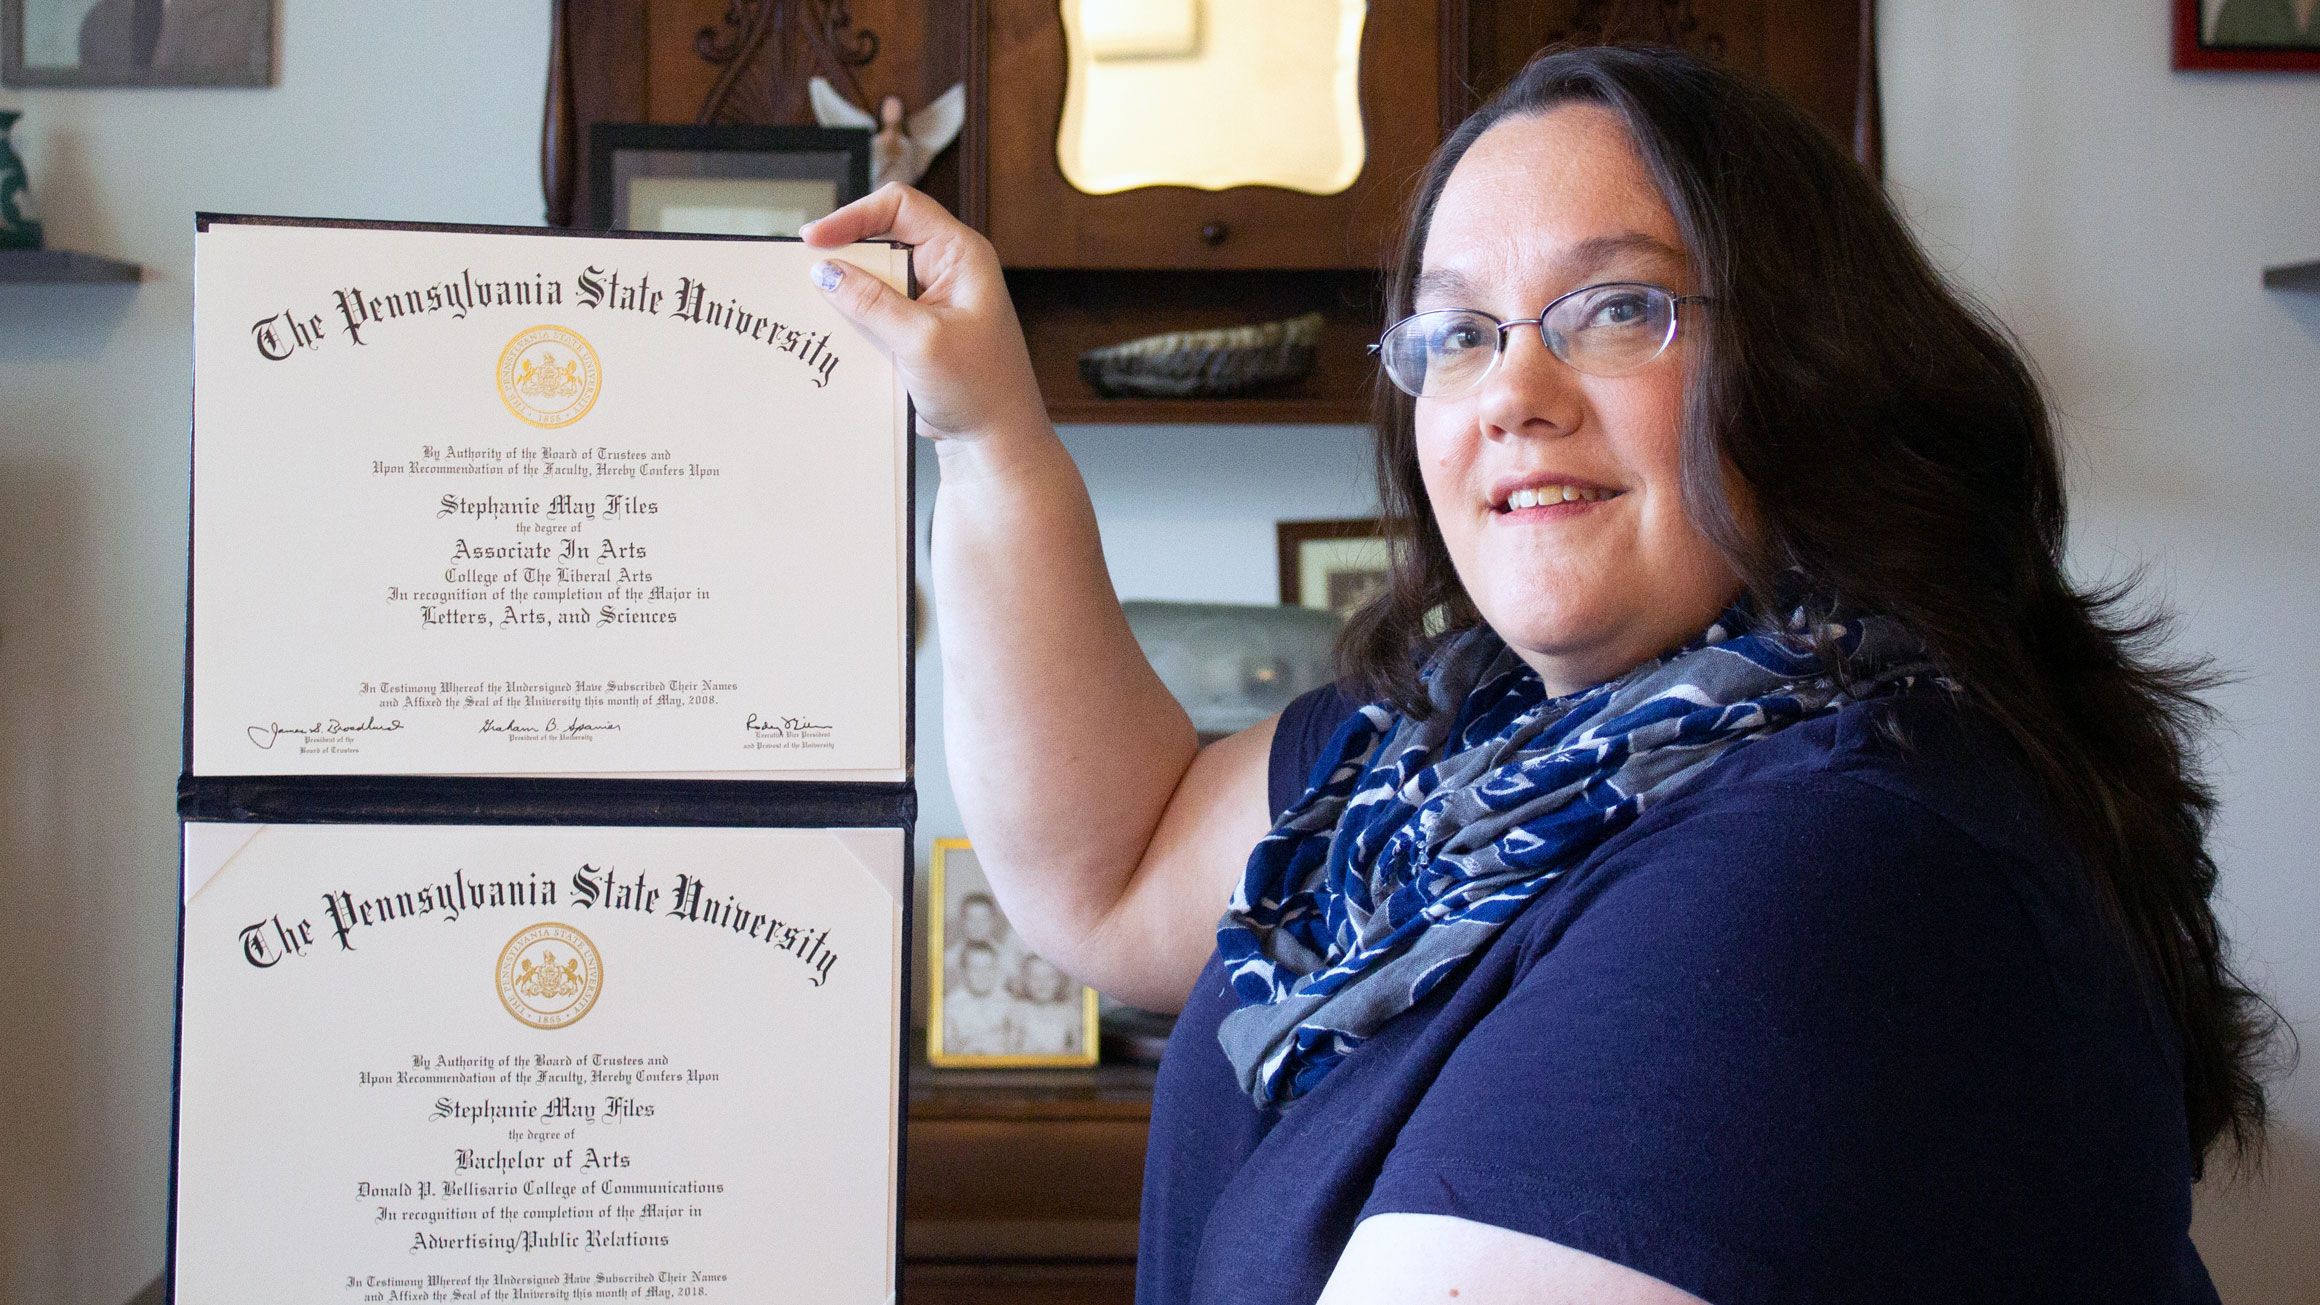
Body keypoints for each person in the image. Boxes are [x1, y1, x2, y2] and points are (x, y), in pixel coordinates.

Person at [803, 45, 2273, 1305]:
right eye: (1456, 333)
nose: (1512, 389)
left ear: (1821, 358)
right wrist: (986, 429)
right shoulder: (1466, 754)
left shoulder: (1837, 854)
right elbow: (1113, 865)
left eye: (1619, 307)